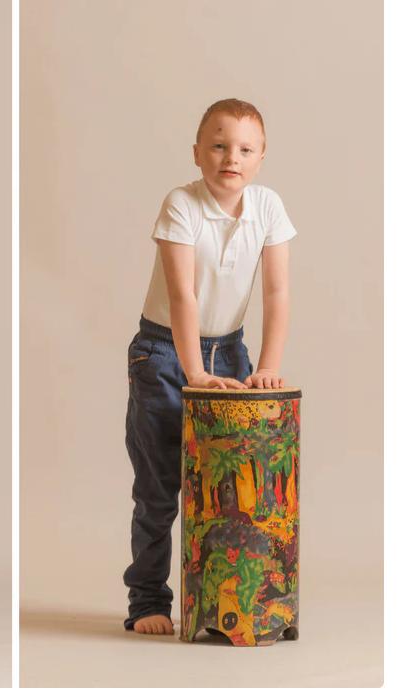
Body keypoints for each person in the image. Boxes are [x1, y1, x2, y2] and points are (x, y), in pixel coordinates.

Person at [123, 98, 295, 635]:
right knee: (159, 488)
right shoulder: (182, 204)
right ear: (198, 152)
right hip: (165, 353)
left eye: (245, 149)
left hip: (232, 349)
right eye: (219, 146)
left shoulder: (268, 207)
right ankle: (148, 600)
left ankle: (229, 599)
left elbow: (277, 290)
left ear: (261, 158)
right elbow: (182, 296)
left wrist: (265, 367)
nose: (231, 158)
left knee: (231, 488)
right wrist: (194, 374)